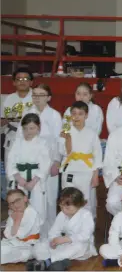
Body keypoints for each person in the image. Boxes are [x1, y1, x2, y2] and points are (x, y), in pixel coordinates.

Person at [22, 84, 62, 232]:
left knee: (50, 200)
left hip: (50, 162)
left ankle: (50, 233)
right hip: (30, 164)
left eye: (41, 95)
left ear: (49, 97)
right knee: (32, 199)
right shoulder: (27, 113)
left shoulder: (55, 115)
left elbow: (59, 141)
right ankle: (32, 233)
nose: (37, 98)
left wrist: (57, 161)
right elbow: (22, 139)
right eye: (35, 95)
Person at [30, 187, 97, 271]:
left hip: (80, 245)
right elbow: (53, 231)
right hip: (63, 245)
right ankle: (58, 262)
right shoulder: (62, 214)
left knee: (79, 247)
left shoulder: (86, 215)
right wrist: (53, 241)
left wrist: (67, 239)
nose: (64, 210)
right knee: (40, 245)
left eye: (67, 208)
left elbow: (85, 236)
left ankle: (48, 261)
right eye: (61, 207)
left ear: (78, 204)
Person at [6, 113, 50, 236]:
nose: (28, 131)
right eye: (25, 128)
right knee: (18, 208)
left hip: (35, 182)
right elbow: (11, 161)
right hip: (20, 181)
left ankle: (38, 237)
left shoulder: (43, 143)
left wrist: (33, 181)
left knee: (38, 209)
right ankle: (19, 235)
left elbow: (45, 164)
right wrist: (18, 178)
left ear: (38, 128)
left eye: (32, 128)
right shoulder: (17, 142)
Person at [59, 101, 102, 217]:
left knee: (86, 201)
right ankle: (69, 230)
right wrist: (68, 138)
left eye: (80, 114)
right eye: (74, 113)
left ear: (86, 116)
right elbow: (65, 152)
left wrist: (95, 175)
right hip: (70, 170)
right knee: (68, 200)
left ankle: (87, 232)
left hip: (86, 171)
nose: (76, 117)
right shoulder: (65, 133)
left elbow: (97, 156)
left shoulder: (92, 134)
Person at [1, 189, 42, 265]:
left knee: (4, 253)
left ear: (25, 199)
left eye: (17, 200)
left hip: (30, 245)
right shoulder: (13, 213)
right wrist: (13, 232)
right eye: (11, 203)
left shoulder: (31, 212)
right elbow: (6, 234)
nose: (15, 205)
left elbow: (22, 234)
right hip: (15, 243)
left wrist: (17, 220)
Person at [1, 67, 33, 159]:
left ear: (31, 82)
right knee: (11, 170)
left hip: (32, 139)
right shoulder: (8, 99)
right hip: (12, 138)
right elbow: (2, 120)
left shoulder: (37, 97)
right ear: (14, 82)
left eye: (25, 79)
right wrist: (6, 120)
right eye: (19, 79)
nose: (22, 81)